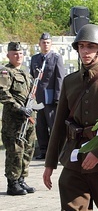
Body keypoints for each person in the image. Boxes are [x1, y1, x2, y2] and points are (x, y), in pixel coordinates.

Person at [42, 24, 98, 210]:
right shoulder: (70, 81)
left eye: (90, 46)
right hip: (75, 159)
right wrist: (50, 163)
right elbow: (59, 125)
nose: (85, 51)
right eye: (81, 46)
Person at [0, 42, 37, 195]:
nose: (18, 56)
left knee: (28, 148)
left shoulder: (26, 73)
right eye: (15, 53)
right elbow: (3, 93)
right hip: (14, 120)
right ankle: (12, 183)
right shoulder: (5, 72)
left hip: (28, 119)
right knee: (15, 151)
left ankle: (22, 179)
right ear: (8, 55)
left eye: (20, 53)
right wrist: (19, 107)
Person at [29, 32, 65, 160]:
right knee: (41, 126)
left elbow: (60, 78)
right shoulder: (35, 59)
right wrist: (31, 96)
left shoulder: (56, 58)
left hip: (51, 98)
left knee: (53, 126)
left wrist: (58, 97)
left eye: (48, 43)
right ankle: (43, 150)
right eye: (43, 42)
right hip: (38, 98)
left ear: (51, 44)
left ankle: (57, 152)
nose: (46, 45)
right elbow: (31, 78)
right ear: (39, 44)